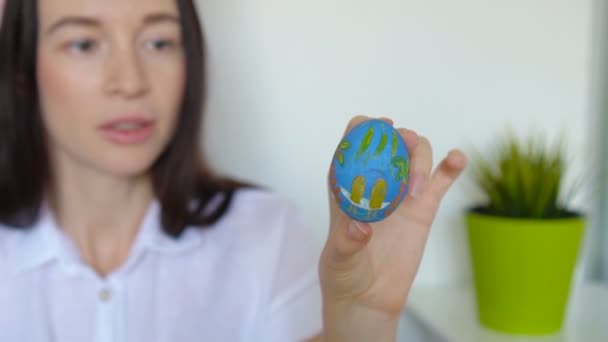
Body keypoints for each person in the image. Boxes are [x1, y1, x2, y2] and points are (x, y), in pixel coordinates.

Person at [0, 0, 467, 341]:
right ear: (22, 71)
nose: (130, 81)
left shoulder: (265, 233)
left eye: (159, 41)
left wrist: (362, 318)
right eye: (83, 43)